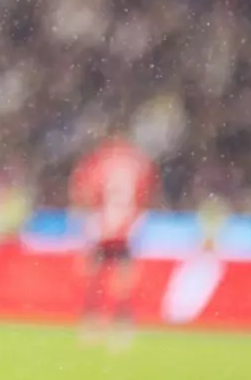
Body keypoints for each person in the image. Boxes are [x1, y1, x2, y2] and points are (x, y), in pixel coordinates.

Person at [70, 129, 156, 345]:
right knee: (122, 276)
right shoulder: (137, 162)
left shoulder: (99, 161)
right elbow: (147, 192)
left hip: (103, 223)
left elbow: (84, 188)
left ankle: (93, 322)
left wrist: (84, 214)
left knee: (95, 274)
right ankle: (121, 323)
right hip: (127, 224)